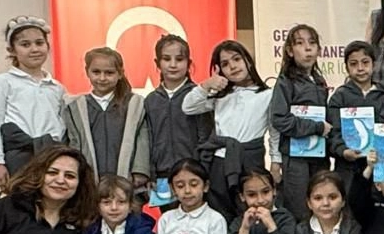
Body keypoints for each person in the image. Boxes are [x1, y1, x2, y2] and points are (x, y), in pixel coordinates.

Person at [183, 40, 278, 216]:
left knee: (251, 209)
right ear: (220, 70)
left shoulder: (267, 95)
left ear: (248, 61)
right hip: (219, 160)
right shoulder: (220, 96)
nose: (233, 66)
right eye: (225, 64)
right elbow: (188, 107)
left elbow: (274, 133)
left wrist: (275, 163)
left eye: (237, 59)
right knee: (219, 210)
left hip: (250, 159)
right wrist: (207, 85)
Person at [0, 15, 66, 184]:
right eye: (25, 44)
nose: (34, 49)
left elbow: (62, 123)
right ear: (12, 50)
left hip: (52, 155)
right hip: (19, 156)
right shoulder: (3, 82)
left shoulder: (56, 87)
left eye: (39, 43)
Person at [62, 46, 151, 188]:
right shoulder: (76, 107)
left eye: (109, 73)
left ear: (120, 74)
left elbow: (142, 139)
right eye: (96, 72)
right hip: (88, 182)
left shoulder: (135, 104)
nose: (102, 78)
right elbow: (73, 142)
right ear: (87, 71)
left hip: (126, 181)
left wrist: (140, 171)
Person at [269, 23, 333, 221]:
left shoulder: (320, 81)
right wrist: (316, 127)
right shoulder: (285, 82)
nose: (307, 48)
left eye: (312, 43)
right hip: (296, 158)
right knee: (299, 210)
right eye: (300, 43)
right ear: (290, 51)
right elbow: (279, 119)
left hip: (319, 155)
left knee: (321, 205)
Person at [143, 34, 209, 210]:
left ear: (188, 63)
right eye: (166, 59)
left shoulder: (197, 96)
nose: (173, 65)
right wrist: (151, 174)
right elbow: (147, 140)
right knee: (168, 221)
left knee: (195, 221)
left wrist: (203, 169)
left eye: (179, 59)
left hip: (194, 175)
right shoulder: (150, 101)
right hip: (162, 178)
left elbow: (205, 137)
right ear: (157, 63)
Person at [329, 39, 384, 185]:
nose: (360, 68)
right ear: (346, 68)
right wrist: (343, 151)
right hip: (347, 167)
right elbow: (332, 132)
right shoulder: (339, 97)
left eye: (365, 62)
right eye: (354, 64)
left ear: (374, 64)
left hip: (379, 165)